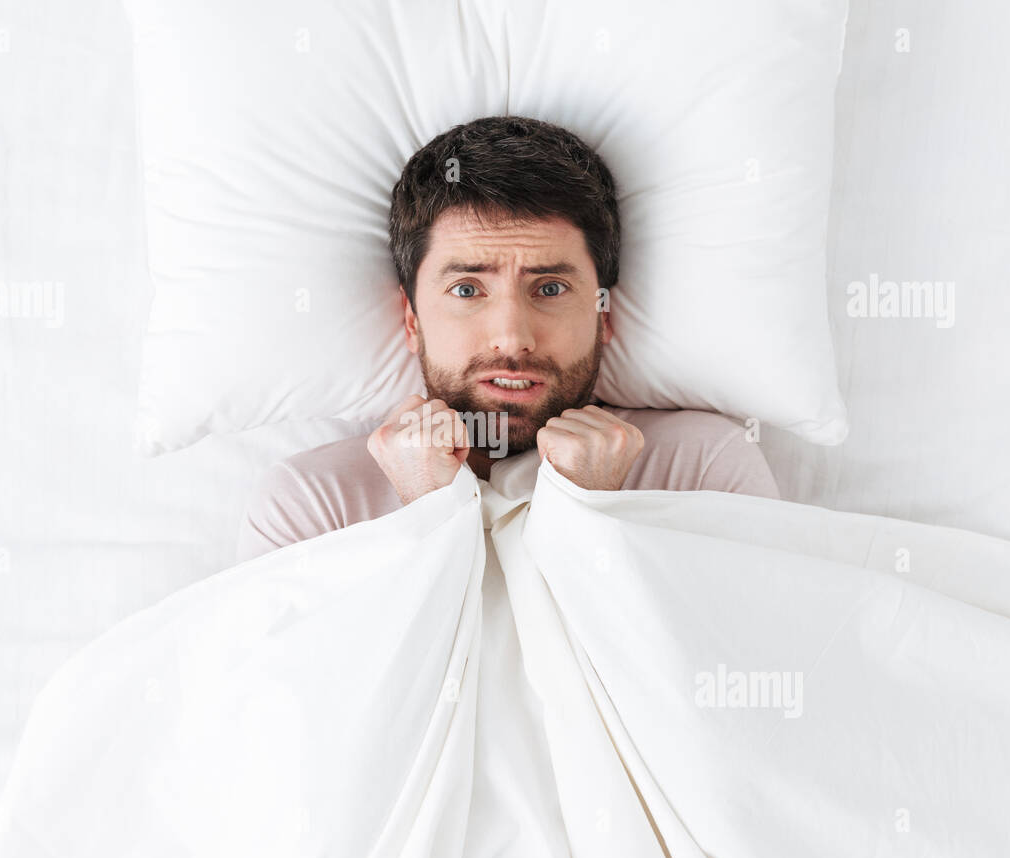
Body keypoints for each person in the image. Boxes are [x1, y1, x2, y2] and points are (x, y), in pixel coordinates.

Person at [237, 115, 779, 564]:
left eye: (549, 287)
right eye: (468, 289)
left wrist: (593, 514)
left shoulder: (705, 468)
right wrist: (429, 515)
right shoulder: (311, 504)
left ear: (604, 313)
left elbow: (724, 679)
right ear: (412, 321)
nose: (512, 338)